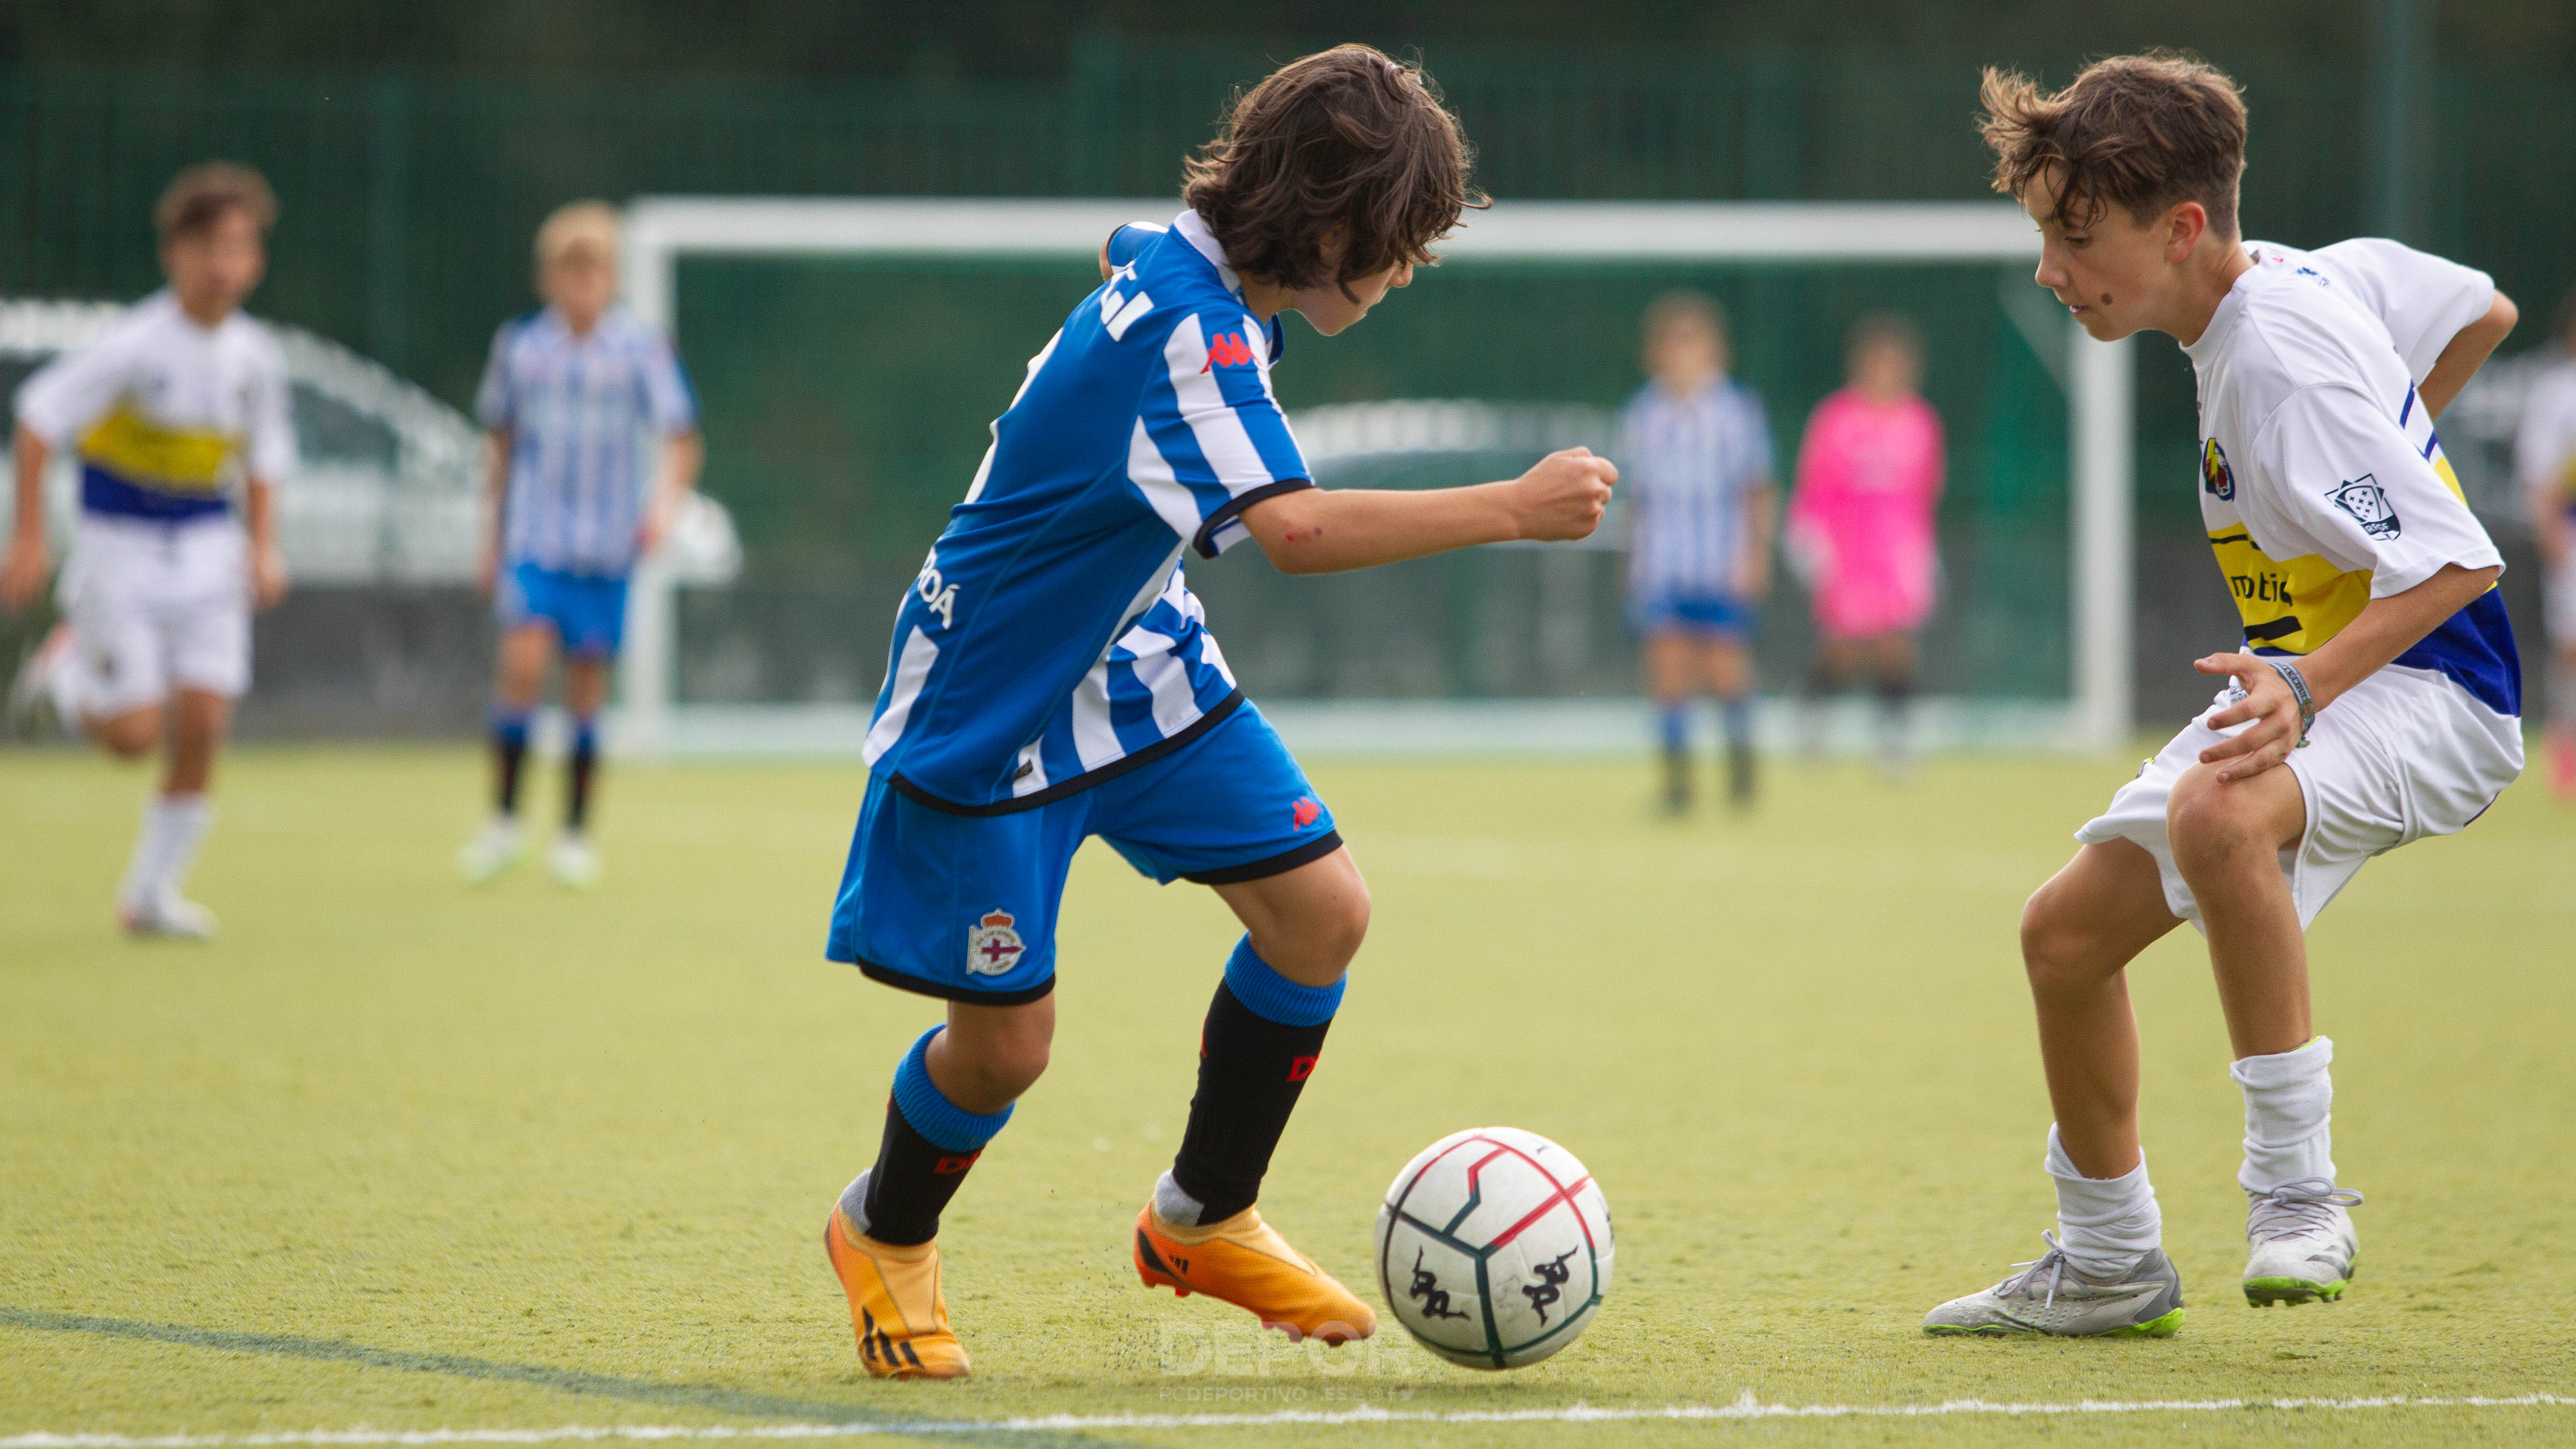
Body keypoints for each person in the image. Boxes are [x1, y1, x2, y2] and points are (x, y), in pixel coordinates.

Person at [817, 45, 1616, 1379]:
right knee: (1007, 1047)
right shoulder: (1190, 323)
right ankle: (882, 1229)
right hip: (995, 700)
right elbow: (1292, 531)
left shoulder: (1200, 284)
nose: (1409, 269)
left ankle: (1202, 1216)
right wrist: (1512, 509)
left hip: (1134, 661)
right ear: (1322, 224)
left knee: (1323, 911)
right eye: (1398, 244)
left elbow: (1139, 289)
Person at [1925, 53, 2521, 1338]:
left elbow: (2464, 563)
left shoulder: (2280, 365)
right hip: (2328, 676)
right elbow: (2485, 309)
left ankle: (2299, 1196)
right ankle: (2107, 1262)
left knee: (2217, 813)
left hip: (2437, 688)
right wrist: (2384, 444)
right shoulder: (2303, 275)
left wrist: (2308, 679)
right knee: (2062, 940)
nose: (2049, 268)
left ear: (2182, 228)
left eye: (2074, 235)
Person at [2, 163, 295, 938]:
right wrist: (29, 536)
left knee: (202, 722)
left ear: (257, 259)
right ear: (174, 253)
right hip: (117, 552)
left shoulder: (256, 357)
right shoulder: (134, 344)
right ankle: (67, 676)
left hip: (207, 550)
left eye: (239, 246)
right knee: (135, 738)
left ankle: (151, 895)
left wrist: (264, 549)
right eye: (208, 246)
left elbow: (264, 459)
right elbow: (36, 422)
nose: (223, 264)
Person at [455, 202, 702, 889]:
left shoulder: (638, 349)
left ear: (612, 277)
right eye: (569, 270)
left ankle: (573, 834)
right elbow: (500, 445)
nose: (581, 283)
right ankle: (503, 823)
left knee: (586, 686)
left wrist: (663, 508)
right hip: (536, 538)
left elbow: (681, 436)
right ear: (547, 278)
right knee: (524, 667)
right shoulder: (522, 349)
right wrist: (491, 538)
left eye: (594, 270)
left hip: (606, 546)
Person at [1618, 291, 1776, 810]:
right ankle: (1678, 787)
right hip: (1665, 566)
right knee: (1667, 671)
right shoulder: (1643, 415)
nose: (1683, 355)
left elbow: (1757, 489)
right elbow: (1635, 498)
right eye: (1673, 344)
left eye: (1694, 343)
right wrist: (1633, 560)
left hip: (1718, 565)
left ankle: (1741, 773)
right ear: (1656, 353)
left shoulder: (1735, 414)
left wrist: (1754, 556)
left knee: (1726, 670)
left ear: (1715, 352)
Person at [1786, 314, 1944, 776]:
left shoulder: (1920, 423)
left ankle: (1894, 739)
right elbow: (1813, 486)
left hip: (1896, 554)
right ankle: (1812, 714)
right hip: (1847, 551)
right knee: (1843, 645)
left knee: (1896, 645)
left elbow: (1924, 493)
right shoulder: (1835, 419)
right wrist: (1809, 541)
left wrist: (1923, 552)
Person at [2514, 289, 2576, 798]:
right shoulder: (2555, 392)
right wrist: (2552, 536)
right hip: (2573, 537)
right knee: (2570, 650)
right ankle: (2567, 751)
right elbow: (2541, 477)